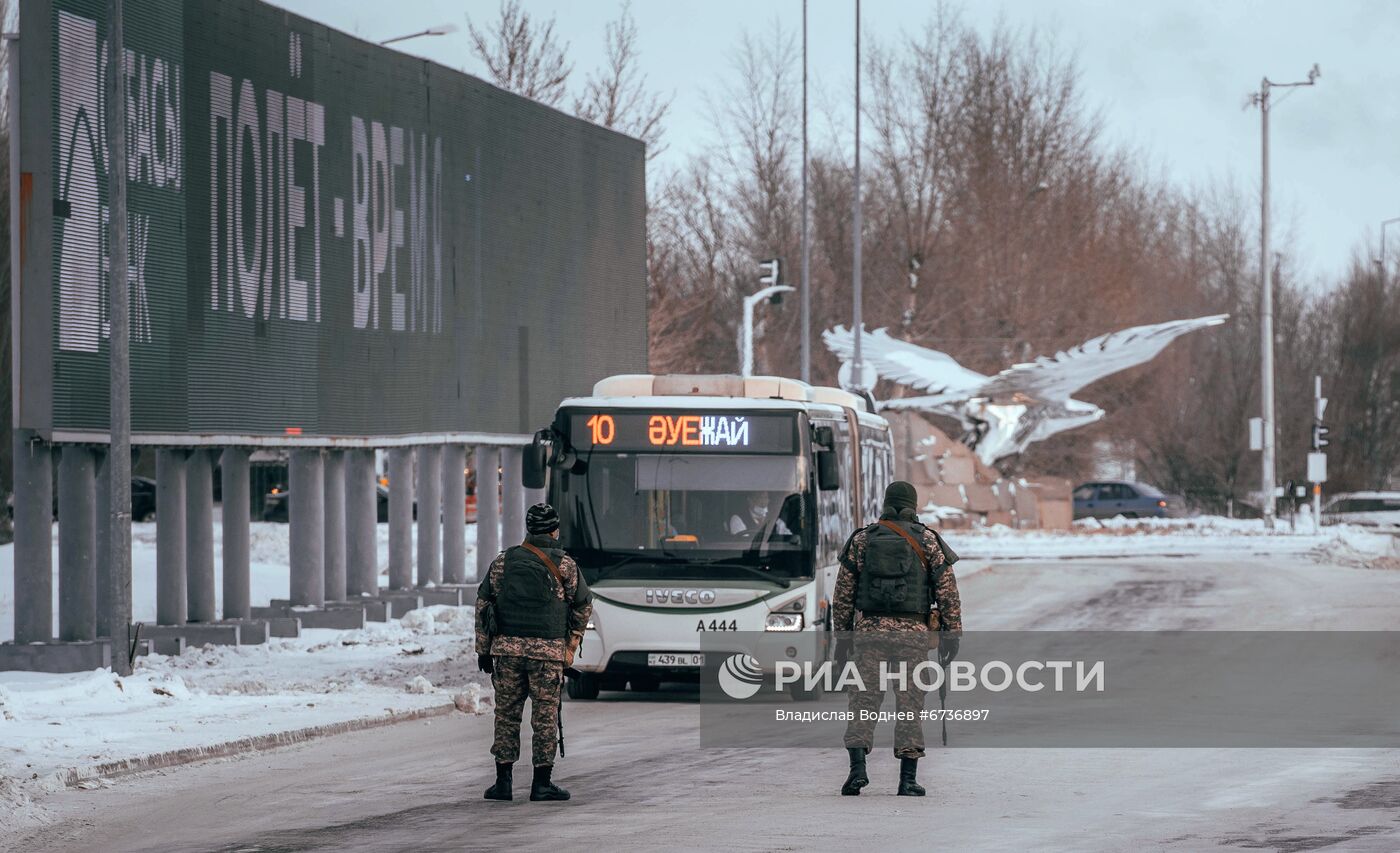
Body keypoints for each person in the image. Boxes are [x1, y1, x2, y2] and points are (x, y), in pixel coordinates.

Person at [830, 481, 962, 797]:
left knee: (863, 701)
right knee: (909, 705)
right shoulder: (928, 541)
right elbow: (947, 594)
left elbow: (843, 595)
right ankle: (907, 780)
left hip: (869, 633)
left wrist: (843, 637)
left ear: (886, 504)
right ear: (913, 506)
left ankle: (857, 772)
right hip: (913, 635)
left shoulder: (862, 540)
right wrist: (952, 635)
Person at [475, 503, 593, 802]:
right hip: (547, 654)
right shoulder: (565, 565)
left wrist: (484, 649)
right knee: (544, 717)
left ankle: (502, 783)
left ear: (528, 529)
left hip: (508, 651)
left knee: (506, 716)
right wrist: (569, 647)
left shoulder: (504, 561)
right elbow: (582, 606)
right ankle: (542, 784)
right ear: (555, 530)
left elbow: (484, 603)